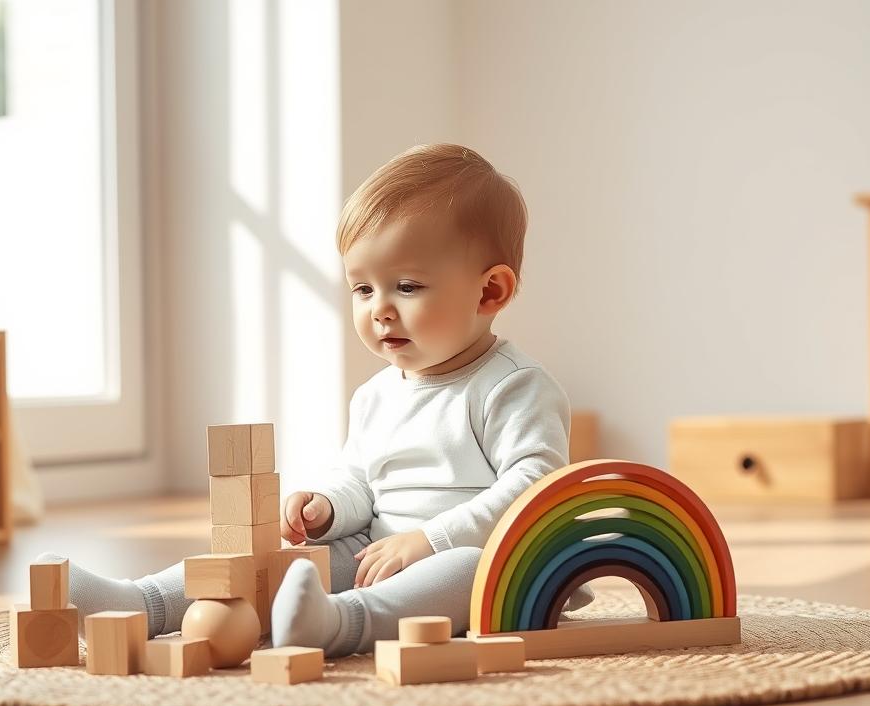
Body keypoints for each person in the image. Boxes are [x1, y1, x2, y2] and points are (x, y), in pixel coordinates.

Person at [34, 143, 593, 656]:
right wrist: (327, 505)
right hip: (379, 551)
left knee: (467, 567)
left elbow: (533, 491)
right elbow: (360, 479)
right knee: (277, 561)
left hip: (496, 565)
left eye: (407, 286)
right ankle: (143, 602)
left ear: (490, 290)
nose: (380, 309)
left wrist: (431, 539)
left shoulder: (512, 386)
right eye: (362, 288)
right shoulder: (376, 394)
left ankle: (339, 624)